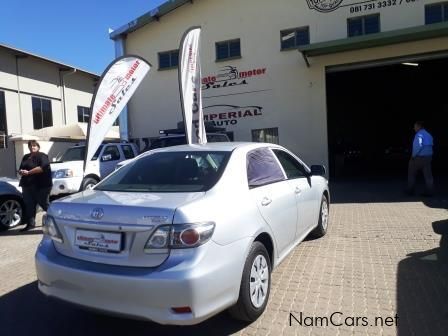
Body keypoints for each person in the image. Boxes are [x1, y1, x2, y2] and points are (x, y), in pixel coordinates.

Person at [18, 140, 53, 231]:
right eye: (30, 146)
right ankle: (30, 224)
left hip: (41, 185)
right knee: (29, 204)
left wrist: (29, 172)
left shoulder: (42, 156)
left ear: (38, 147)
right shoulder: (26, 157)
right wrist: (21, 171)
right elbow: (21, 168)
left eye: (34, 145)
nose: (32, 147)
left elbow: (43, 168)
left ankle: (57, 220)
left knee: (43, 203)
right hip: (27, 184)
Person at [406, 121, 434, 196]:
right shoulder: (429, 134)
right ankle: (429, 192)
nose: (414, 128)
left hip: (419, 157)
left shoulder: (419, 134)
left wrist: (413, 156)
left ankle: (410, 190)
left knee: (411, 173)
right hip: (428, 157)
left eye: (415, 126)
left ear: (419, 126)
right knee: (428, 176)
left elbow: (418, 146)